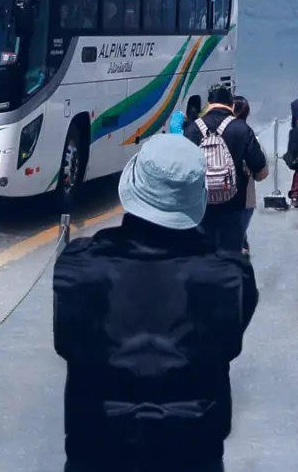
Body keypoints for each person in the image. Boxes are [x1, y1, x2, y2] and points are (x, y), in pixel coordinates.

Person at [53, 132, 260, 471]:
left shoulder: (79, 263)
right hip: (192, 453)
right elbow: (227, 342)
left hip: (98, 449)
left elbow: (67, 344)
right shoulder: (231, 273)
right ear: (197, 198)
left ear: (132, 186)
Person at [195, 93, 268, 254]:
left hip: (202, 199)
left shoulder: (195, 128)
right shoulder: (243, 130)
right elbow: (259, 166)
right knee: (234, 242)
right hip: (237, 199)